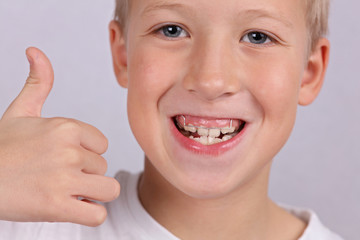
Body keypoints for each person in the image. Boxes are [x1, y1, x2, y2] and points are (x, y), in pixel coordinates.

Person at [0, 0, 344, 239]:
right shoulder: (24, 223)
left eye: (258, 36)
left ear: (309, 73)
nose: (211, 80)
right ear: (123, 55)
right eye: (172, 30)